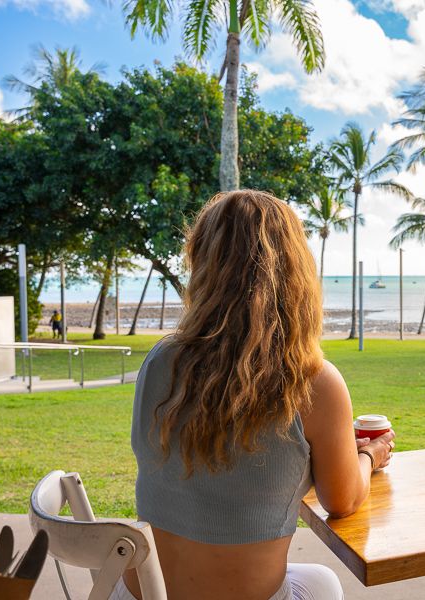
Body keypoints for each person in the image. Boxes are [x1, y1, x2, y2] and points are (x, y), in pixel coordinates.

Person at [117, 191, 394, 600]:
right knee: (326, 583)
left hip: (143, 594)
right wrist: (369, 456)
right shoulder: (312, 383)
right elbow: (342, 500)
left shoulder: (160, 361)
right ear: (296, 271)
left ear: (203, 264)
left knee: (318, 580)